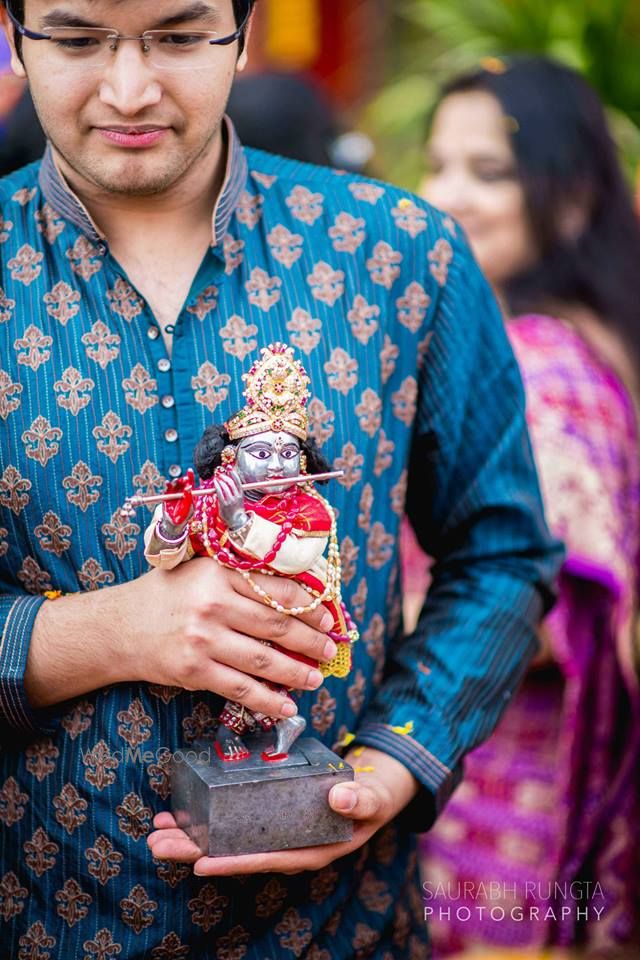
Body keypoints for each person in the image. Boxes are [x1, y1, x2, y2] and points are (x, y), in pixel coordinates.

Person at [0, 3, 561, 956]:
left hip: (345, 927)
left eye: (178, 36)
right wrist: (93, 634)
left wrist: (393, 762)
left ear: (246, 29)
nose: (129, 89)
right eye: (79, 37)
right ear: (14, 36)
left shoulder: (399, 255)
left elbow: (501, 553)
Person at [407, 57, 640, 954]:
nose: (449, 193)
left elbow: (552, 608)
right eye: (438, 164)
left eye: (489, 171)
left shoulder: (538, 365)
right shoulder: (589, 334)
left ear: (572, 198)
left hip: (508, 797)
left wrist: (360, 620)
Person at [143, 342, 358, 761]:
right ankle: (271, 723)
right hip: (208, 625)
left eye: (288, 454)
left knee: (264, 668)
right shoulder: (210, 497)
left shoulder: (309, 505)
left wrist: (240, 520)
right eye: (260, 453)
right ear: (232, 457)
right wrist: (173, 520)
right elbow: (167, 558)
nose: (276, 465)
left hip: (290, 611)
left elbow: (294, 557)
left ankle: (254, 725)